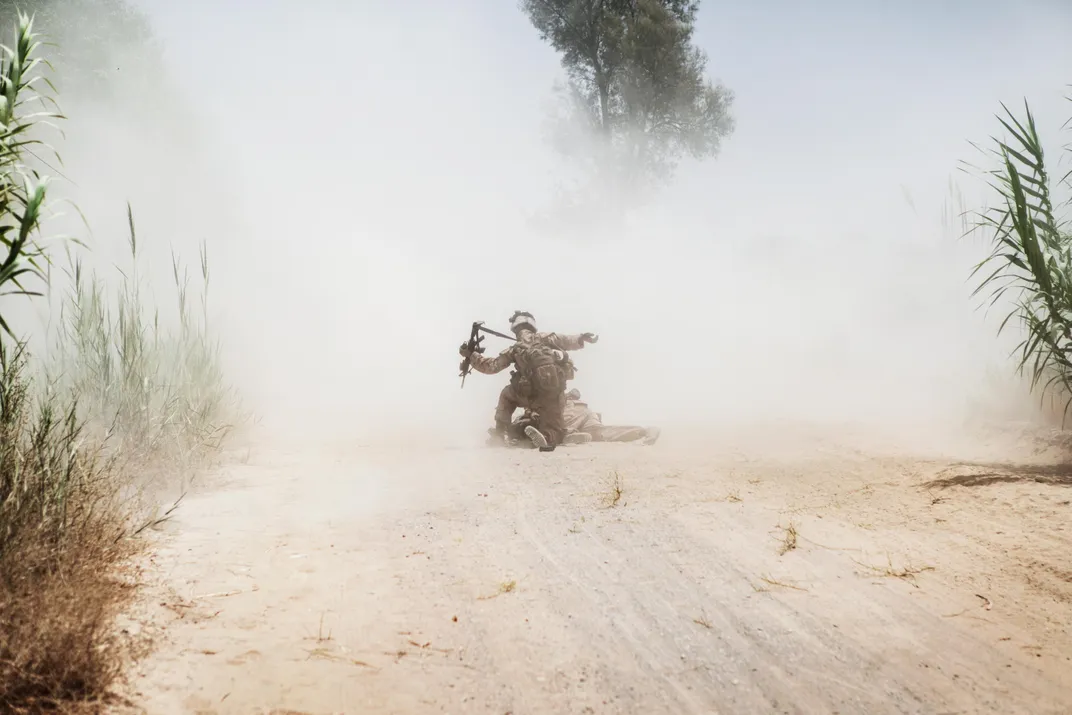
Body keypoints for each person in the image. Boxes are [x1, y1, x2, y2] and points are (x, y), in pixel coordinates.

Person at [460, 310, 598, 450]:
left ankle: (499, 435)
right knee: (555, 427)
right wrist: (582, 338)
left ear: (515, 330)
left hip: (528, 396)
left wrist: (472, 355)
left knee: (507, 394)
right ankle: (555, 435)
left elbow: (491, 367)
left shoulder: (514, 349)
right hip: (554, 397)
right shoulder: (548, 338)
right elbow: (568, 340)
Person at [564, 388, 661, 445]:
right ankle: (644, 431)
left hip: (570, 408)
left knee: (558, 431)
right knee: (602, 432)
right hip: (582, 409)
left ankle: (567, 436)